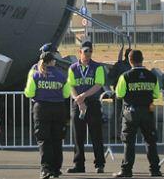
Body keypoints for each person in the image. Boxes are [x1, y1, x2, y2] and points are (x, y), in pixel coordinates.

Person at [113, 50, 162, 178]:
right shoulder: (152, 75)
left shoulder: (125, 76)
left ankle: (127, 170)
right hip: (147, 111)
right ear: (143, 59)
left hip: (130, 113)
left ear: (130, 60)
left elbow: (119, 94)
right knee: (150, 141)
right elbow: (156, 94)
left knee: (129, 142)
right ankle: (155, 169)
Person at [25, 51, 71, 179]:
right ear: (53, 61)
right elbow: (66, 94)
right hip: (58, 109)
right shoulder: (61, 75)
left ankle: (46, 169)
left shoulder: (35, 74)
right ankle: (56, 169)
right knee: (57, 139)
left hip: (42, 109)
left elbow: (29, 93)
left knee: (44, 140)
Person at [66, 41, 106, 174]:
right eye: (85, 51)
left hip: (92, 103)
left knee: (96, 135)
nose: (88, 54)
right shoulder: (72, 68)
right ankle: (79, 165)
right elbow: (71, 86)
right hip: (78, 104)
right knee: (78, 136)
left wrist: (84, 95)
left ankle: (99, 164)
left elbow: (98, 84)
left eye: (90, 51)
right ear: (80, 52)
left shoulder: (97, 67)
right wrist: (79, 100)